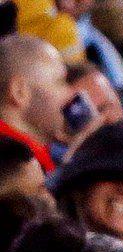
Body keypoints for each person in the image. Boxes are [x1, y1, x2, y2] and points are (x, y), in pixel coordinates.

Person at [0, 33, 72, 170]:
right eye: (60, 82)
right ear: (19, 92)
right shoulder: (13, 170)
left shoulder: (38, 157)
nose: (70, 93)